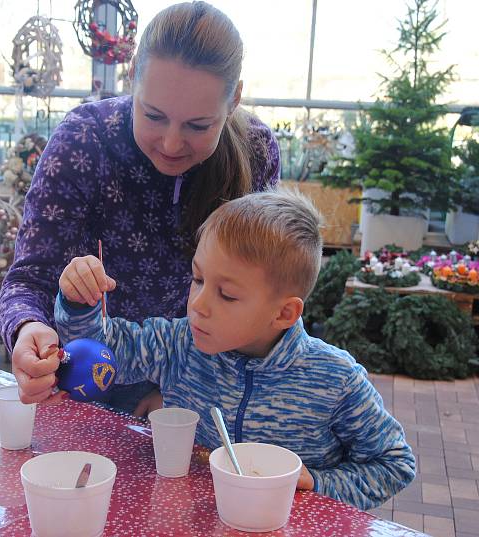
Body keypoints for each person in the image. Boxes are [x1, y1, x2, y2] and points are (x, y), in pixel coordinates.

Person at [48, 189, 416, 510]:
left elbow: (393, 464)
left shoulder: (336, 379)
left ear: (284, 313)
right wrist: (79, 302)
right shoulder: (179, 343)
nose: (199, 304)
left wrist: (318, 484)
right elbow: (104, 350)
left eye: (227, 294)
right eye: (198, 278)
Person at [0, 1, 280, 413]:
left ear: (233, 99)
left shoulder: (256, 152)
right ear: (133, 77)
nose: (170, 144)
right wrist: (28, 328)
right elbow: (30, 279)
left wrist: (186, 391)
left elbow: (262, 296)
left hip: (210, 394)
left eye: (198, 126)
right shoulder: (85, 140)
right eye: (153, 116)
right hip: (91, 382)